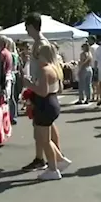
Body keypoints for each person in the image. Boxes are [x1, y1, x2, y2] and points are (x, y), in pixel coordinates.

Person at [23, 45, 72, 181]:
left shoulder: (45, 70)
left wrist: (29, 84)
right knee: (44, 137)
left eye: (38, 55)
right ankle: (59, 160)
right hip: (52, 102)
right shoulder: (55, 68)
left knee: (44, 140)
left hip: (45, 105)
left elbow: (42, 92)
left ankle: (53, 169)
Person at [22, 13, 63, 171]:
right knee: (46, 126)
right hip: (41, 87)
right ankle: (51, 156)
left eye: (27, 26)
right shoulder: (39, 43)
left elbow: (45, 67)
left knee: (41, 128)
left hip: (41, 89)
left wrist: (32, 86)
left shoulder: (41, 44)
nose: (26, 30)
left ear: (32, 26)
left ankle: (47, 158)